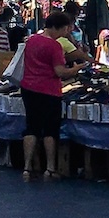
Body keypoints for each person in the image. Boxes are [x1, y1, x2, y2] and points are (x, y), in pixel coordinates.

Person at [19, 12, 81, 181]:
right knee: (50, 130)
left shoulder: (31, 40)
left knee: (31, 126)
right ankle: (50, 169)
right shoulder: (54, 46)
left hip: (28, 87)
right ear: (56, 27)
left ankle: (27, 168)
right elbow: (60, 71)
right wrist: (76, 69)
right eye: (63, 30)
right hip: (49, 90)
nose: (64, 34)